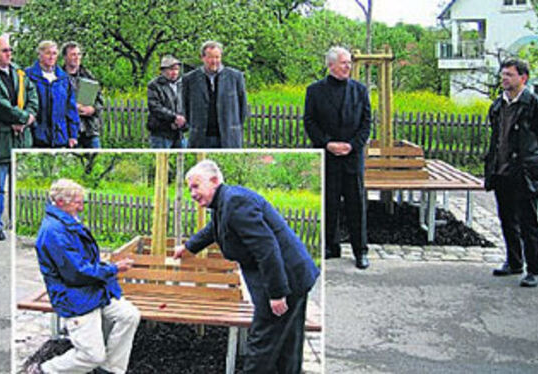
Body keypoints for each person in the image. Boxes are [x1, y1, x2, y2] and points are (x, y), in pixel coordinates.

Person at [173, 160, 319, 374]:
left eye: (196, 186)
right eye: (190, 189)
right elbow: (214, 229)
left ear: (214, 181)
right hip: (292, 274)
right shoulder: (225, 201)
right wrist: (188, 247)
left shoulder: (235, 203)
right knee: (287, 343)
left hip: (286, 279)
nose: (192, 193)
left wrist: (277, 293)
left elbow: (266, 249)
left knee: (262, 345)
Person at [29, 179, 140, 374]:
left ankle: (110, 370)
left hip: (92, 291)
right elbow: (77, 273)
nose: (81, 207)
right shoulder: (53, 232)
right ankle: (44, 370)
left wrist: (105, 267)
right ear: (61, 202)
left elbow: (83, 263)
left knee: (129, 316)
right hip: (74, 297)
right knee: (92, 356)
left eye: (82, 202)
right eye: (77, 203)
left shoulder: (66, 220)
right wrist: (113, 268)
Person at [304, 46, 371, 269]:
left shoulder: (360, 90)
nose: (348, 67)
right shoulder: (314, 91)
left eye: (349, 63)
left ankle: (360, 251)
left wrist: (352, 145)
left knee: (356, 205)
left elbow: (366, 123)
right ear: (330, 65)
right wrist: (327, 143)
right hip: (328, 156)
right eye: (343, 63)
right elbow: (309, 122)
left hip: (352, 158)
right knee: (328, 203)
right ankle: (330, 247)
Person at [485, 58, 538, 288]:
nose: (504, 78)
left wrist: (536, 164)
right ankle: (514, 261)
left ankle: (535, 269)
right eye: (503, 74)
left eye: (509, 75)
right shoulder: (498, 105)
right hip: (502, 171)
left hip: (525, 172)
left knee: (528, 222)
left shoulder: (536, 105)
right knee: (507, 219)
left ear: (523, 78)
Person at [0, 34, 38, 241]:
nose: (9, 53)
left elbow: (33, 97)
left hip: (21, 137)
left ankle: (15, 220)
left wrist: (28, 118)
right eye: (4, 50)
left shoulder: (19, 73)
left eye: (10, 50)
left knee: (17, 182)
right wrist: (21, 117)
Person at [182, 41, 247, 148]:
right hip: (200, 138)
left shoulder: (235, 77)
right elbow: (185, 106)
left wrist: (234, 127)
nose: (214, 61)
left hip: (229, 138)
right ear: (202, 58)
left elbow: (242, 107)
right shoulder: (190, 79)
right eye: (210, 57)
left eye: (217, 57)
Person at [25, 40, 79, 148]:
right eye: (48, 53)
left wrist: (73, 135)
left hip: (60, 136)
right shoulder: (28, 75)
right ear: (40, 55)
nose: (51, 57)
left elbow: (71, 108)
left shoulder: (63, 78)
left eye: (54, 53)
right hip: (36, 136)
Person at [61, 41, 102, 148]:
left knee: (96, 158)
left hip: (90, 129)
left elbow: (100, 101)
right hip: (68, 131)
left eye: (79, 54)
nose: (77, 57)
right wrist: (73, 107)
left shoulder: (89, 76)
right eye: (73, 54)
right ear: (65, 57)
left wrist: (92, 110)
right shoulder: (58, 78)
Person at [146, 55, 187, 148]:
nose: (175, 72)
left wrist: (183, 121)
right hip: (161, 132)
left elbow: (187, 105)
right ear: (163, 70)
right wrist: (174, 117)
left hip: (179, 133)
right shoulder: (154, 85)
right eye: (171, 69)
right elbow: (155, 107)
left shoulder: (182, 85)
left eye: (177, 69)